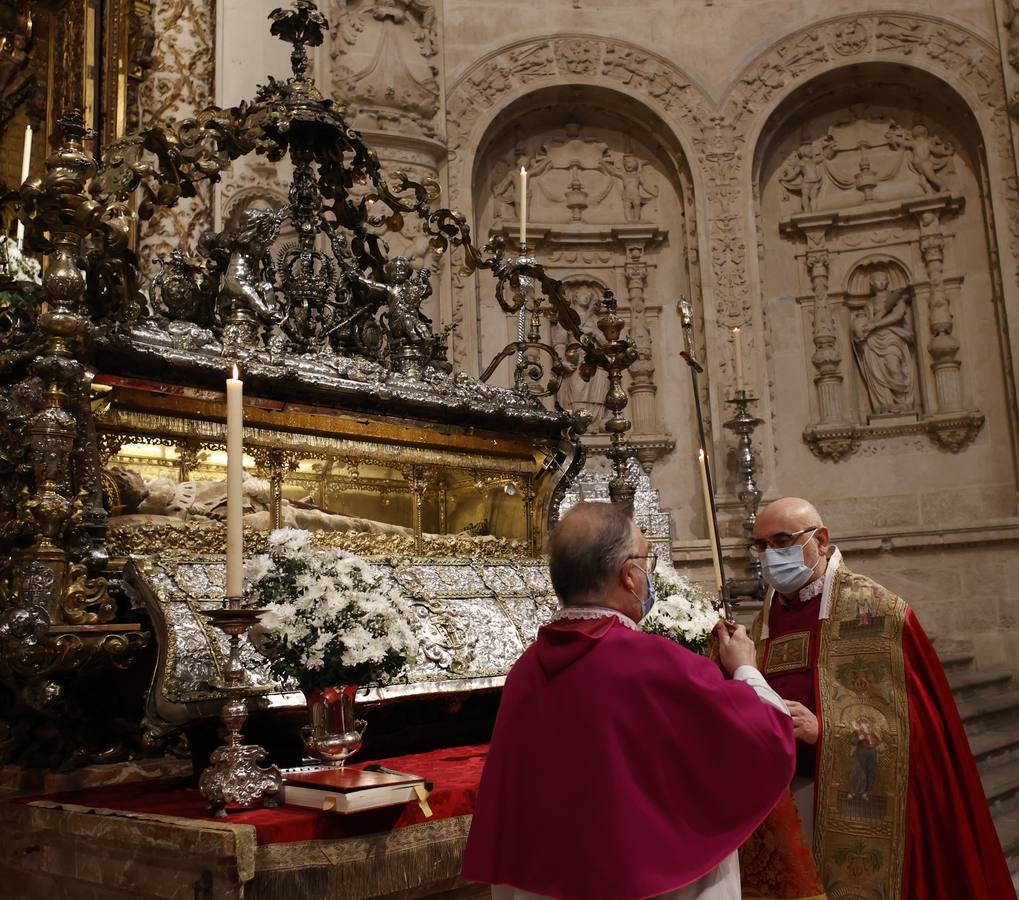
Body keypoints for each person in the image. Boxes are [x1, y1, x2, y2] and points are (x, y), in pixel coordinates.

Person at [462, 500, 796, 899]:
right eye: (645, 563)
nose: (647, 576)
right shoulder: (658, 664)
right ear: (629, 577)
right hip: (656, 886)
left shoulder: (525, 672)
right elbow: (768, 737)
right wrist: (745, 668)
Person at [749, 497, 1013, 899]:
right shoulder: (762, 624)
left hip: (853, 800)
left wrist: (826, 730)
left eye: (782, 541)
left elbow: (921, 732)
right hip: (784, 801)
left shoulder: (878, 612)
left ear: (821, 540)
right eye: (761, 546)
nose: (771, 556)